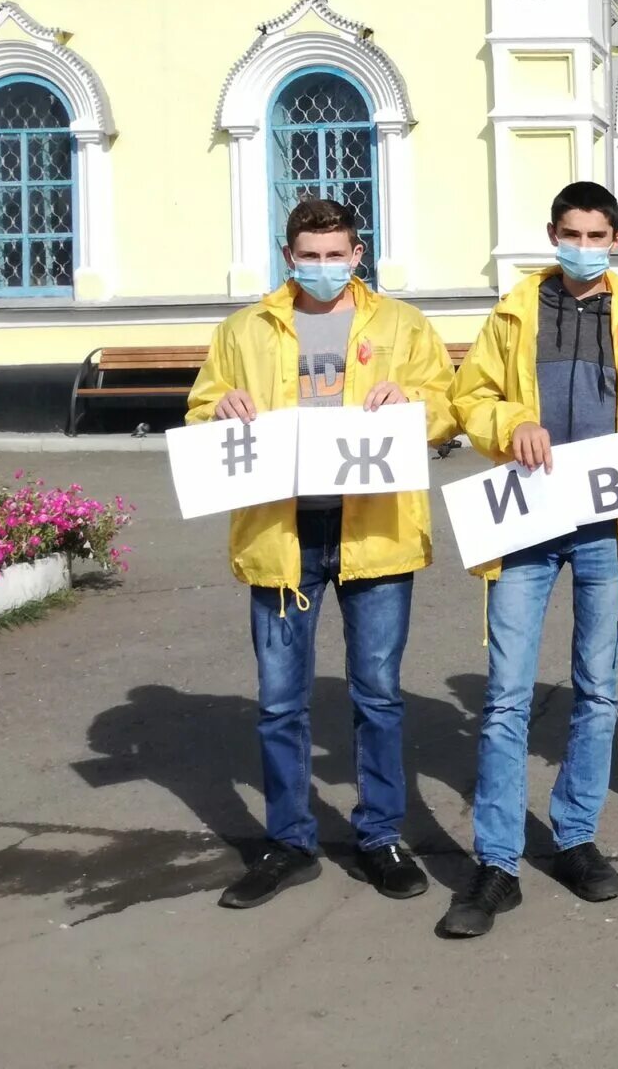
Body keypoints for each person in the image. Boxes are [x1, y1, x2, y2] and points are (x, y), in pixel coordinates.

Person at [187, 197, 454, 910]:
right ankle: (290, 840)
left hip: (376, 531)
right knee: (280, 702)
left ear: (358, 255)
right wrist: (218, 410)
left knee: (379, 696)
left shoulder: (401, 324)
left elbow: (448, 405)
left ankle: (381, 835)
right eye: (311, 255)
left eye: (337, 255)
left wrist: (417, 401)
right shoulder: (246, 329)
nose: (325, 267)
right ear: (288, 255)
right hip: (281, 535)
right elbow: (200, 407)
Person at [438, 181, 618, 938]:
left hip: (608, 523)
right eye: (570, 232)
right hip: (525, 522)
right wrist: (511, 420)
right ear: (553, 233)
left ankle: (575, 836)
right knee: (507, 695)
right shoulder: (514, 310)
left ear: (616, 240)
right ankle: (498, 863)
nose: (582, 244)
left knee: (598, 689)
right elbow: (467, 396)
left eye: (596, 234)